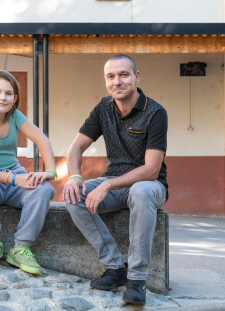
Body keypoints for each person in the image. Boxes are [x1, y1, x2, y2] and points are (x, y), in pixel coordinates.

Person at [63, 54, 168, 305]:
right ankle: (114, 267)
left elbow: (151, 170)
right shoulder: (103, 108)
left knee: (141, 191)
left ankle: (137, 279)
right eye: (111, 76)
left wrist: (108, 184)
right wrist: (75, 176)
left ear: (136, 77)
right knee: (73, 195)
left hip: (150, 186)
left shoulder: (155, 112)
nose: (117, 81)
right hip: (116, 183)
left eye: (123, 75)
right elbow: (76, 147)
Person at [0, 70, 56, 275]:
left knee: (43, 189)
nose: (2, 97)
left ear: (14, 99)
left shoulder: (14, 116)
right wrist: (14, 179)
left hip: (13, 177)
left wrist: (50, 171)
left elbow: (42, 139)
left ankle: (20, 247)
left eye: (8, 94)